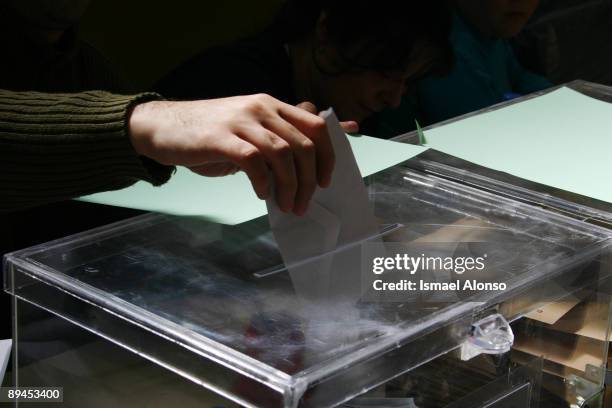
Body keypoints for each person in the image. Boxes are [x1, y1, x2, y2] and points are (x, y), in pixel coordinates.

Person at [155, 0, 454, 134]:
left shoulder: (349, 103)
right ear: (328, 31)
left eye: (408, 81)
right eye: (385, 73)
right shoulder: (227, 87)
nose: (394, 99)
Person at [383, 0, 552, 133]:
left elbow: (519, 75)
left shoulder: (488, 29)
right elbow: (487, 133)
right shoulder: (450, 50)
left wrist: (564, 97)